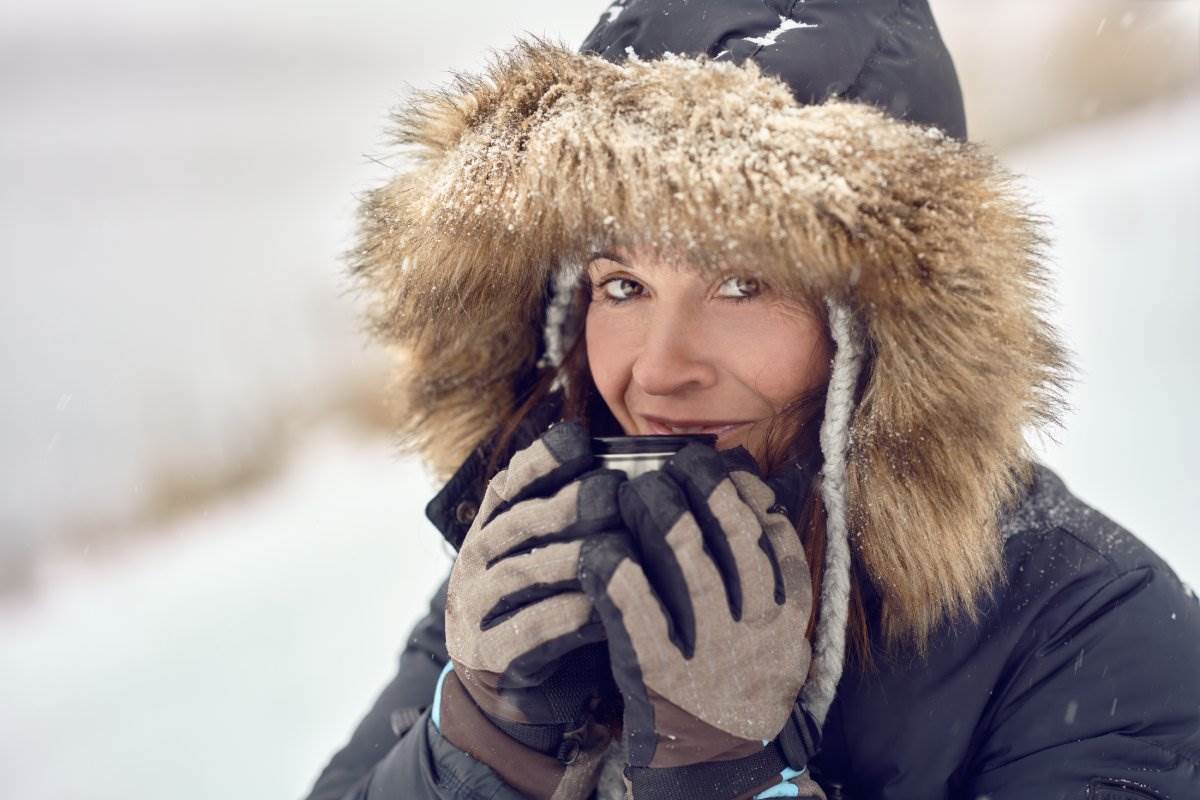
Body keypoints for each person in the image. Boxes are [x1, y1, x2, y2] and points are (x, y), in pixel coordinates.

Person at [304, 2, 1200, 798]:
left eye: (742, 284)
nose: (659, 370)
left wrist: (730, 783)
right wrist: (478, 754)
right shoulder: (535, 564)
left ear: (884, 324)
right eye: (622, 287)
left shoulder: (1093, 632)